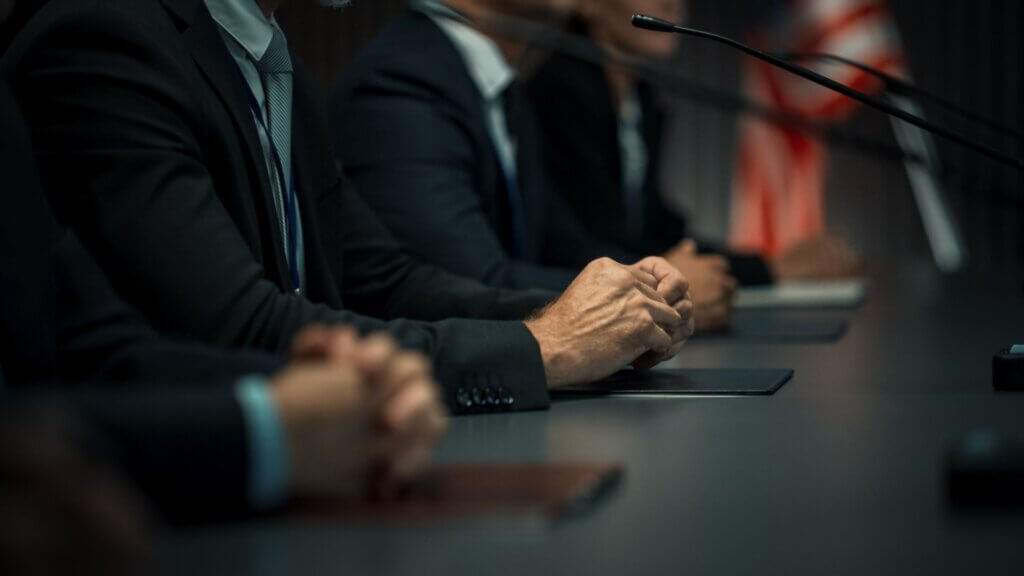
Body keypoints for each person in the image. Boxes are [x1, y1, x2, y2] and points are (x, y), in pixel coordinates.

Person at [3, 0, 694, 415]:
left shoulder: (275, 63)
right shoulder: (104, 33)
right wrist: (543, 347)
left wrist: (602, 308)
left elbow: (383, 279)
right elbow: (234, 326)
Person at [0, 49, 447, 523]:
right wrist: (263, 429)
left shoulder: (285, 71)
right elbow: (239, 322)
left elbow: (102, 351)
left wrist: (343, 388)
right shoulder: (104, 42)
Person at [528, 0, 861, 325]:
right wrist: (767, 270)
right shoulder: (559, 90)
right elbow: (589, 247)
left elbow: (659, 232)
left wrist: (768, 265)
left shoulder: (641, 98)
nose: (672, 4)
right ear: (586, 5)